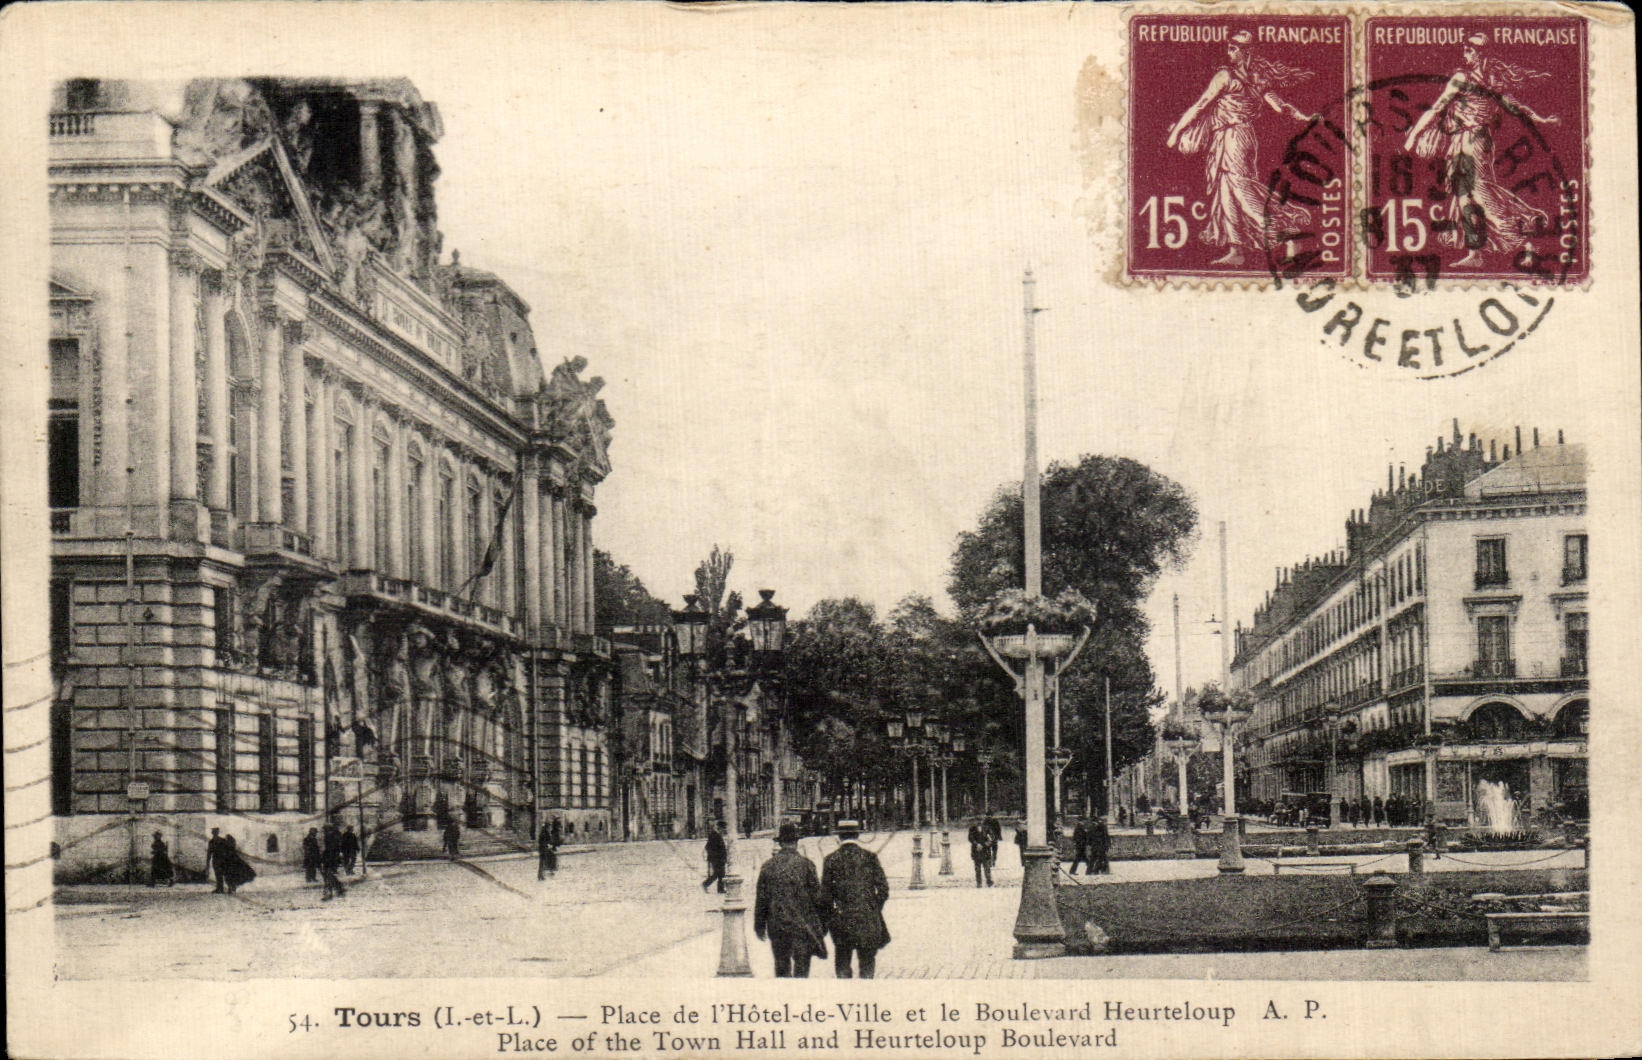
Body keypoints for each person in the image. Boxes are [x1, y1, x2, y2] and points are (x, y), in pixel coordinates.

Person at [1403, 33, 1557, 268]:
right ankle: (1478, 252)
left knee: (1478, 195)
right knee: (1471, 194)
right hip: (1476, 140)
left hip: (1470, 141)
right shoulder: (1493, 78)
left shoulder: (1463, 78)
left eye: (1468, 50)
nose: (1465, 54)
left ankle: (1523, 240)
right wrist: (1539, 118)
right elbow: (1513, 106)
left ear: (1477, 53)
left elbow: (1436, 108)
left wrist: (1413, 136)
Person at [1165, 30, 1318, 266]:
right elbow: (1280, 106)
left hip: (1233, 137)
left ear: (1245, 51)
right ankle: (1236, 250)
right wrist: (1302, 116)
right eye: (1229, 48)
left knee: (1241, 190)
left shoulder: (1225, 77)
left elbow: (1201, 105)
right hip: (1234, 138)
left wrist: (1176, 134)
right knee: (1226, 193)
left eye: (1234, 48)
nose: (1229, 52)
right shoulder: (1257, 79)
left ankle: (1286, 232)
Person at [754, 822, 828, 978]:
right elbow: (817, 898)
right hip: (802, 925)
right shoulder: (807, 865)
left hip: (777, 924)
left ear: (780, 843)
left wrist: (759, 926)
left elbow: (762, 899)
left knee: (781, 966)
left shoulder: (768, 866)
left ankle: (784, 997)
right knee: (802, 966)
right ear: (796, 842)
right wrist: (823, 924)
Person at [819, 820, 889, 979]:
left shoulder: (831, 860)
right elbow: (884, 890)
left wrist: (832, 916)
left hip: (842, 921)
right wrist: (872, 908)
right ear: (857, 835)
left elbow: (825, 896)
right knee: (867, 964)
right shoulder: (870, 857)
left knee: (843, 963)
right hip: (867, 919)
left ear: (839, 837)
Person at [320, 819, 346, 900]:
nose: (324, 831)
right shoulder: (332, 836)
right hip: (329, 858)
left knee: (328, 875)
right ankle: (339, 889)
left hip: (331, 859)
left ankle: (329, 893)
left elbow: (332, 849)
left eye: (325, 830)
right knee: (329, 875)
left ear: (329, 829)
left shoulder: (332, 837)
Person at [967, 820, 995, 887]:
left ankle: (988, 881)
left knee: (987, 867)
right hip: (976, 851)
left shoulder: (987, 829)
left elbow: (991, 838)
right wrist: (976, 844)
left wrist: (984, 845)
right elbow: (970, 838)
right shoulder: (972, 829)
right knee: (978, 868)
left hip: (985, 851)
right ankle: (979, 882)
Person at [702, 823, 728, 893]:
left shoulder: (717, 835)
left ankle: (720, 889)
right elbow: (708, 847)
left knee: (721, 874)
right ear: (720, 828)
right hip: (717, 859)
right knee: (717, 874)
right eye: (723, 829)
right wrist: (715, 856)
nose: (724, 830)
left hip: (719, 858)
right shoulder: (714, 835)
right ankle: (705, 884)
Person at [206, 827, 228, 893]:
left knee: (220, 874)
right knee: (219, 874)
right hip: (219, 860)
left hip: (219, 860)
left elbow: (209, 853)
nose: (214, 834)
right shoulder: (219, 841)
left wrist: (207, 862)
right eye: (214, 832)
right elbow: (209, 852)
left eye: (214, 832)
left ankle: (221, 888)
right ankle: (220, 888)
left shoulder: (213, 841)